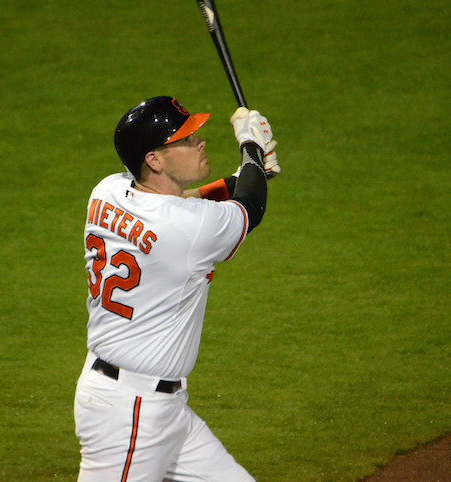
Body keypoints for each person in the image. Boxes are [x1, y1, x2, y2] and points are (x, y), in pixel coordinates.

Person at [75, 96, 280, 482]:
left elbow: (182, 206)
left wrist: (245, 175)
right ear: (154, 160)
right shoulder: (186, 228)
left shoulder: (108, 191)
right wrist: (252, 150)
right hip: (130, 415)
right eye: (186, 140)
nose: (199, 142)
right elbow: (249, 208)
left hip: (155, 405)